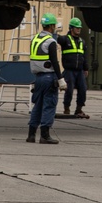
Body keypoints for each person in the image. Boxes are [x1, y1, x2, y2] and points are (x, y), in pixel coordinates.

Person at [27, 13, 62, 144]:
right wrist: (61, 79)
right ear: (52, 26)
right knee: (49, 105)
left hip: (38, 78)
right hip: (49, 77)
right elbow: (55, 61)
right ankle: (45, 135)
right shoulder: (51, 42)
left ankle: (31, 135)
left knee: (38, 106)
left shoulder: (34, 39)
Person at [58, 16, 89, 119]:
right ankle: (66, 108)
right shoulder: (65, 40)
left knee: (83, 89)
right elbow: (56, 38)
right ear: (71, 28)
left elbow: (84, 56)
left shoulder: (82, 42)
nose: (79, 29)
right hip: (69, 70)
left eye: (79, 28)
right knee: (69, 90)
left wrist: (86, 68)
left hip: (79, 71)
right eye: (77, 28)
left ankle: (79, 109)